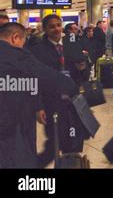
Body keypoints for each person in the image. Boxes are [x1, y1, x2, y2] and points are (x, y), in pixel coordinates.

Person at [0, 23, 75, 168]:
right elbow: (53, 79)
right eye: (23, 41)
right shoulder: (17, 56)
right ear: (15, 37)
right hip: (12, 126)